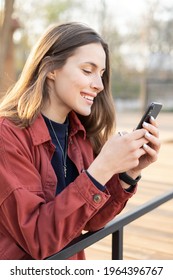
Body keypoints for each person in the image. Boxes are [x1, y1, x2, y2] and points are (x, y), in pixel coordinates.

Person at [0, 22, 160, 260]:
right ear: (51, 68)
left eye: (102, 74)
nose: (99, 84)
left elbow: (92, 221)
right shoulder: (7, 137)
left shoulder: (79, 133)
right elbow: (38, 237)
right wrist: (102, 168)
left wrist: (128, 174)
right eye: (88, 70)